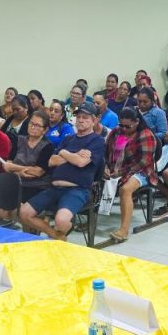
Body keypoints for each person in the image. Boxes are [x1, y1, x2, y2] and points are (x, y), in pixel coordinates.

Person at [20, 103, 105, 240]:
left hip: (77, 189)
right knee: (24, 212)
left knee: (61, 220)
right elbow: (51, 161)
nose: (81, 120)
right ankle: (56, 235)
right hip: (54, 187)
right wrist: (73, 154)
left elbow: (81, 162)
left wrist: (64, 153)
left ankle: (59, 233)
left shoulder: (97, 141)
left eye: (85, 117)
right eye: (79, 117)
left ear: (94, 121)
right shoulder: (68, 139)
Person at [106, 108, 158, 243]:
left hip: (141, 171)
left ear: (137, 122)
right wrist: (105, 167)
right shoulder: (116, 132)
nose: (123, 128)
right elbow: (106, 152)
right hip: (116, 169)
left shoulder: (145, 134)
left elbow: (144, 161)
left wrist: (122, 172)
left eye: (127, 126)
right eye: (121, 125)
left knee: (125, 189)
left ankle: (124, 230)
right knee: (94, 180)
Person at [0, 109, 54, 204]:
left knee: (11, 205)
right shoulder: (19, 140)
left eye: (37, 125)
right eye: (31, 123)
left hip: (36, 186)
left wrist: (15, 168)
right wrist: (19, 173)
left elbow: (38, 171)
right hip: (16, 181)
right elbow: (7, 166)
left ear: (44, 130)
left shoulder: (47, 146)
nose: (32, 127)